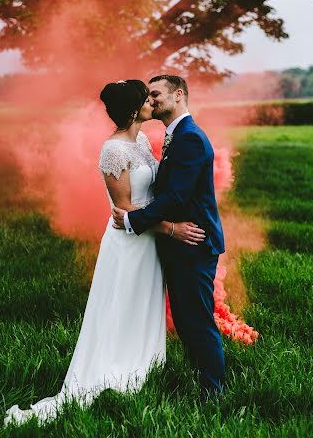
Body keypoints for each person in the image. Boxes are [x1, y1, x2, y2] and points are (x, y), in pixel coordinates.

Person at [4, 79, 204, 426]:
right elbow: (125, 213)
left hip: (147, 243)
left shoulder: (141, 141)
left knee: (144, 302)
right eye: (146, 99)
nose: (152, 103)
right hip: (128, 244)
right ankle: (114, 372)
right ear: (133, 109)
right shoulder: (112, 151)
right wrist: (172, 229)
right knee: (122, 304)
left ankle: (145, 364)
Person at [113, 75, 225, 398]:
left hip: (194, 243)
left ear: (178, 95)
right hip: (181, 244)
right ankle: (201, 380)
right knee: (187, 318)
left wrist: (134, 219)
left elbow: (175, 198)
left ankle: (213, 393)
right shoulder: (175, 136)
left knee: (197, 320)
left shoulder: (189, 138)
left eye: (156, 94)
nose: (151, 100)